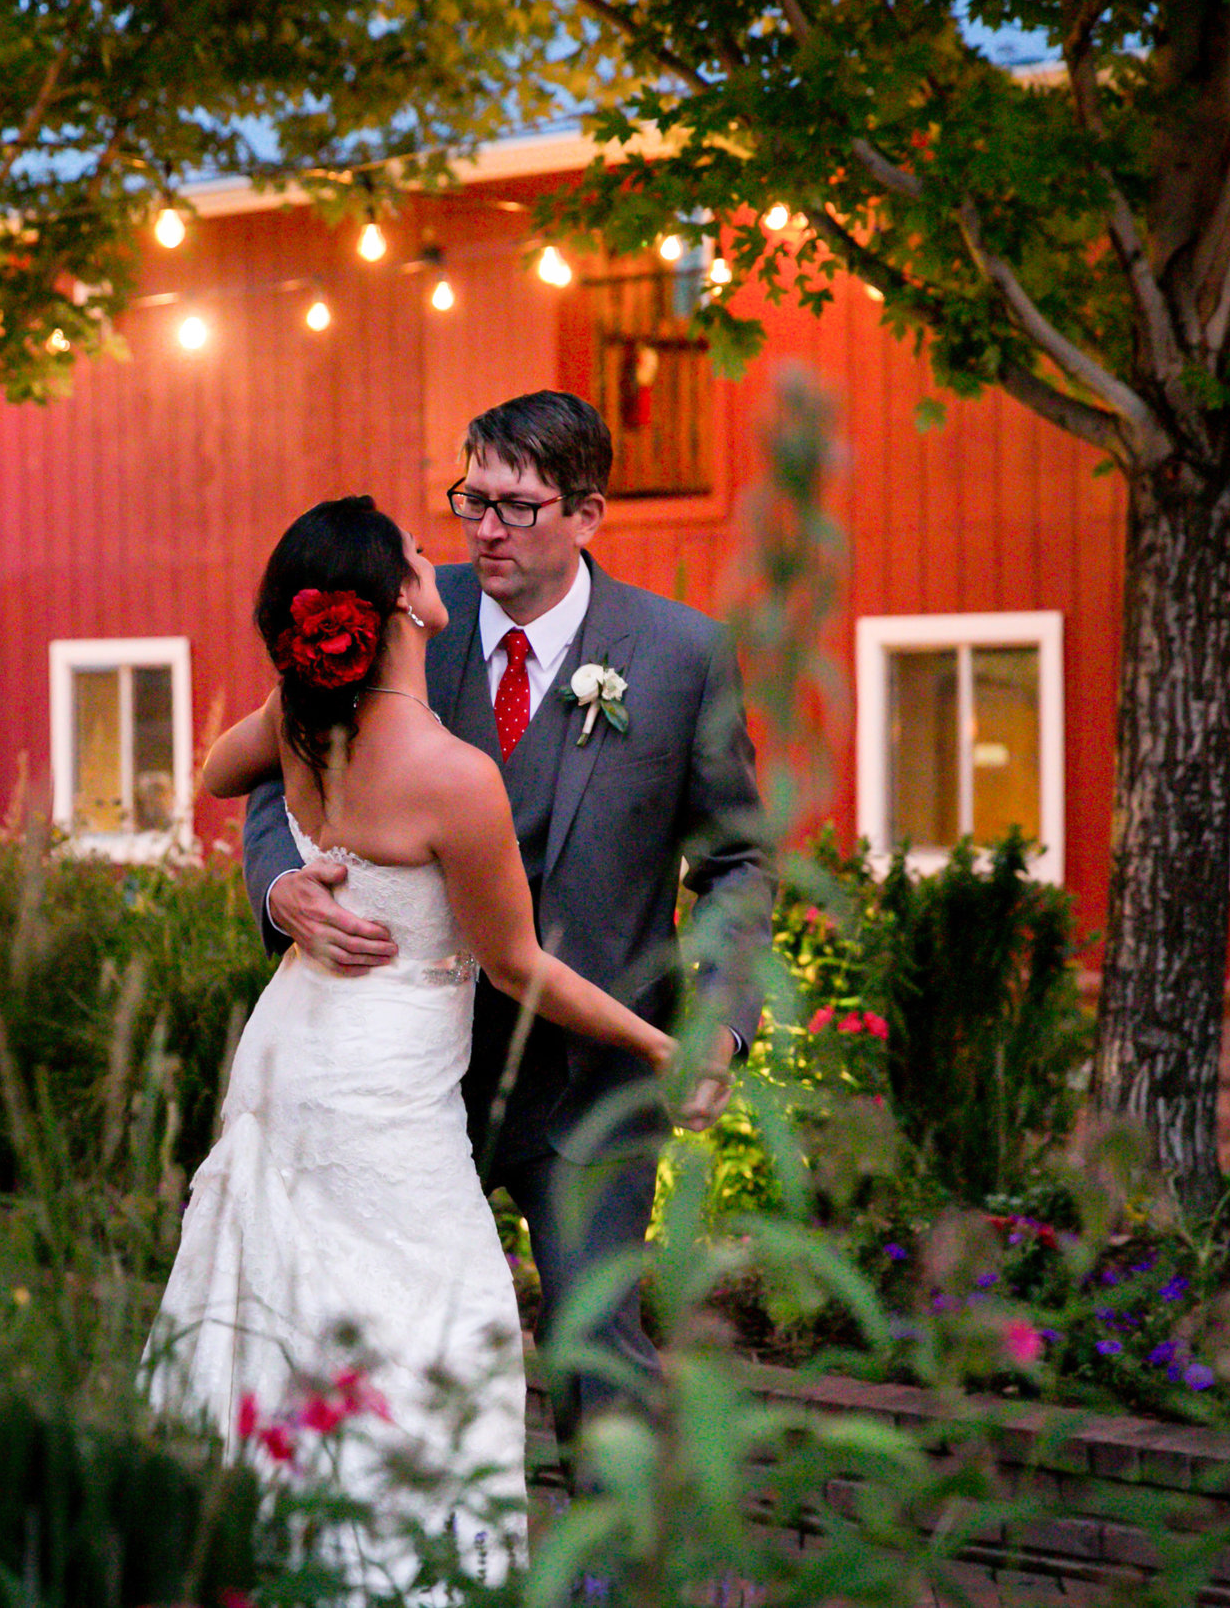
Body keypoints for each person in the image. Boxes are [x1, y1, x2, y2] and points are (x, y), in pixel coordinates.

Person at [146, 494, 676, 1597]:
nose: (442, 556)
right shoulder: (450, 774)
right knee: (446, 1331)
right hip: (386, 1090)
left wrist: (299, 859)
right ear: (396, 603)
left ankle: (287, 1552)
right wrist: (660, 1045)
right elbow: (519, 966)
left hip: (293, 1053)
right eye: (419, 551)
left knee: (300, 1326)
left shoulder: (297, 722)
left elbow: (212, 773)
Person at [245, 391, 774, 1456]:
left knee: (597, 1359)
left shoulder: (680, 655)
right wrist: (278, 885)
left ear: (587, 513)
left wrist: (715, 1030)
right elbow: (275, 764)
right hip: (402, 1074)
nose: (483, 528)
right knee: (382, 1348)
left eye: (516, 507)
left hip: (590, 1077)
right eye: (471, 498)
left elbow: (736, 860)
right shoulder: (398, 609)